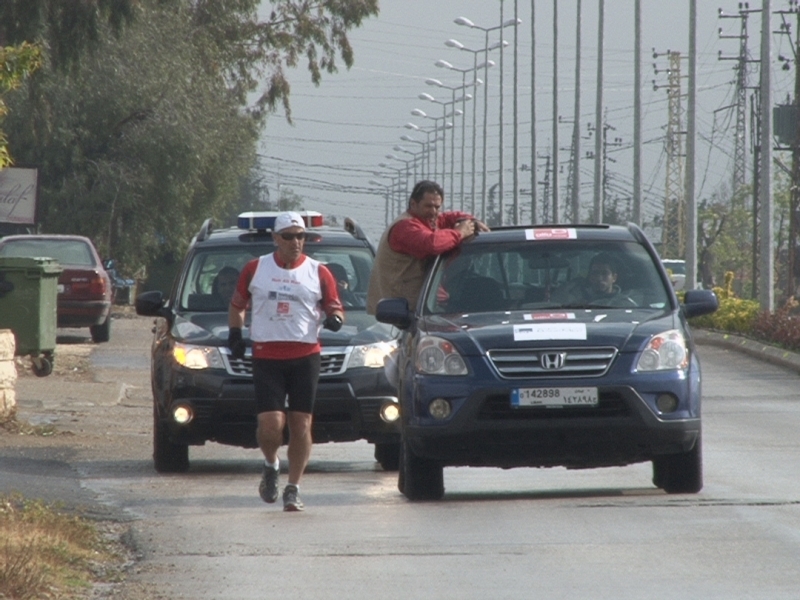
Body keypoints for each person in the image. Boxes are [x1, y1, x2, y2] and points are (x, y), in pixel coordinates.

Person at [227, 211, 344, 512]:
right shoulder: (256, 268)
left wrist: (335, 319)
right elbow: (237, 305)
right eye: (289, 237)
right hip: (267, 355)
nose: (296, 242)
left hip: (305, 355)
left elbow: (334, 306)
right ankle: (271, 464)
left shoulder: (318, 271)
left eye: (300, 236)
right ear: (275, 238)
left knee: (301, 423)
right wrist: (235, 334)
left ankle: (293, 488)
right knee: (271, 424)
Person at [366, 180, 489, 314]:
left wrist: (471, 220)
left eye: (437, 207)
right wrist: (460, 233)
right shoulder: (405, 227)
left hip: (425, 307)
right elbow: (432, 244)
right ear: (413, 204)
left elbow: (448, 217)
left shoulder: (429, 222)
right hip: (399, 313)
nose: (433, 212)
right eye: (428, 206)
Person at [552, 252, 636, 307]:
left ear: (614, 278)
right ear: (590, 276)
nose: (599, 278)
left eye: (605, 273)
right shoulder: (573, 299)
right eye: (595, 273)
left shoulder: (626, 305)